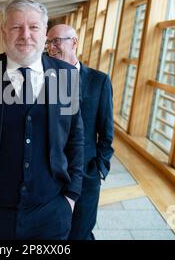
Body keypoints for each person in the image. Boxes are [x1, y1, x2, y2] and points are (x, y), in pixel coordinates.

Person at [0, 0, 84, 240]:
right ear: (3, 32)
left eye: (33, 27)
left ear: (44, 33)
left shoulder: (65, 75)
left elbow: (76, 138)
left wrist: (71, 197)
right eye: (16, 27)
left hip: (50, 211)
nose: (25, 35)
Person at [47, 24, 114, 240]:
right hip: (49, 173)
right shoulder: (41, 79)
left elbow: (106, 132)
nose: (51, 47)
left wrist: (99, 168)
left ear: (74, 42)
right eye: (48, 42)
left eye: (56, 41)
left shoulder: (99, 80)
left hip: (86, 173)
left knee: (81, 233)